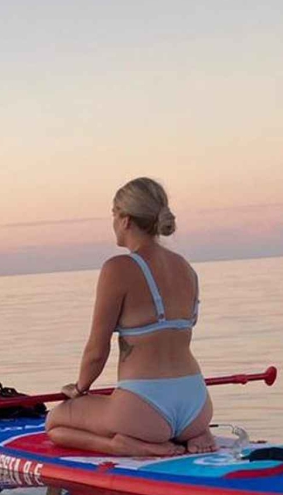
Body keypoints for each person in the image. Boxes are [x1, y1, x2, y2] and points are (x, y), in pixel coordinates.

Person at [45, 177, 216, 457]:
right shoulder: (185, 268)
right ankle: (193, 434)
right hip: (196, 404)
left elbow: (97, 351)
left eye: (113, 215)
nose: (113, 222)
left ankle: (121, 444)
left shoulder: (118, 268)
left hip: (144, 406)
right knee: (118, 411)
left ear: (125, 220)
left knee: (55, 423)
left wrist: (79, 389)